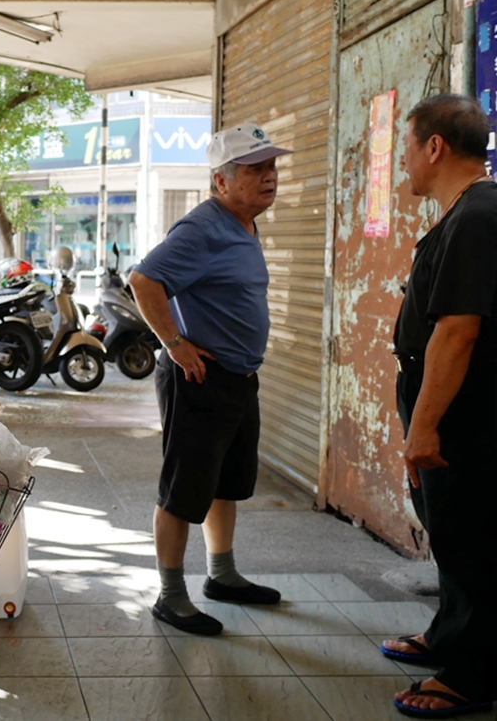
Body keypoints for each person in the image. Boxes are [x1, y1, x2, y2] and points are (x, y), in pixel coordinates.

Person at [128, 123, 289, 635]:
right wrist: (175, 344)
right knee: (183, 490)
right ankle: (170, 595)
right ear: (221, 181)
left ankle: (221, 575)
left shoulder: (244, 224)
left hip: (238, 377)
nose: (270, 177)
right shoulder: (204, 226)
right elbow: (144, 279)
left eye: (271, 167)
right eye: (255, 169)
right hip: (200, 378)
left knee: (226, 483)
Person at [384, 94, 497, 718]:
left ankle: (474, 674)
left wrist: (424, 425)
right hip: (446, 406)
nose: (404, 160)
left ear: (434, 147)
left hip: (466, 416)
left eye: (408, 147)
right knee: (450, 535)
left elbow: (458, 330)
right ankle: (450, 636)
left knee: (472, 538)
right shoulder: (463, 213)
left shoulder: (478, 215)